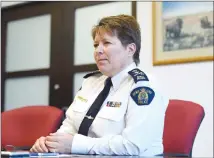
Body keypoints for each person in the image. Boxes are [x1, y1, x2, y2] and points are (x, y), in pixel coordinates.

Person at [30, 14, 169, 156]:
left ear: (130, 49)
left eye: (106, 43)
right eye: (96, 45)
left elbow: (133, 145)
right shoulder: (90, 82)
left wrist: (76, 144)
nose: (98, 50)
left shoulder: (143, 87)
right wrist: (50, 143)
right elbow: (69, 127)